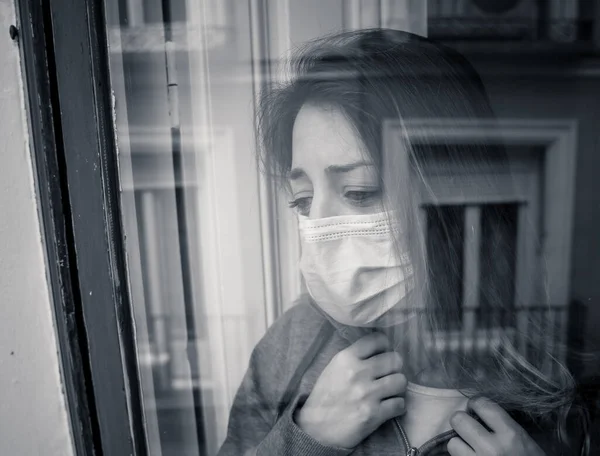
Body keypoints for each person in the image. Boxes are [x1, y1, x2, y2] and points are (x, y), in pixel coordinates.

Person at [217, 29, 589, 455]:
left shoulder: (565, 368)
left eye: (359, 191)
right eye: (302, 201)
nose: (319, 229)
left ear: (451, 193)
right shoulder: (291, 343)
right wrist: (306, 437)